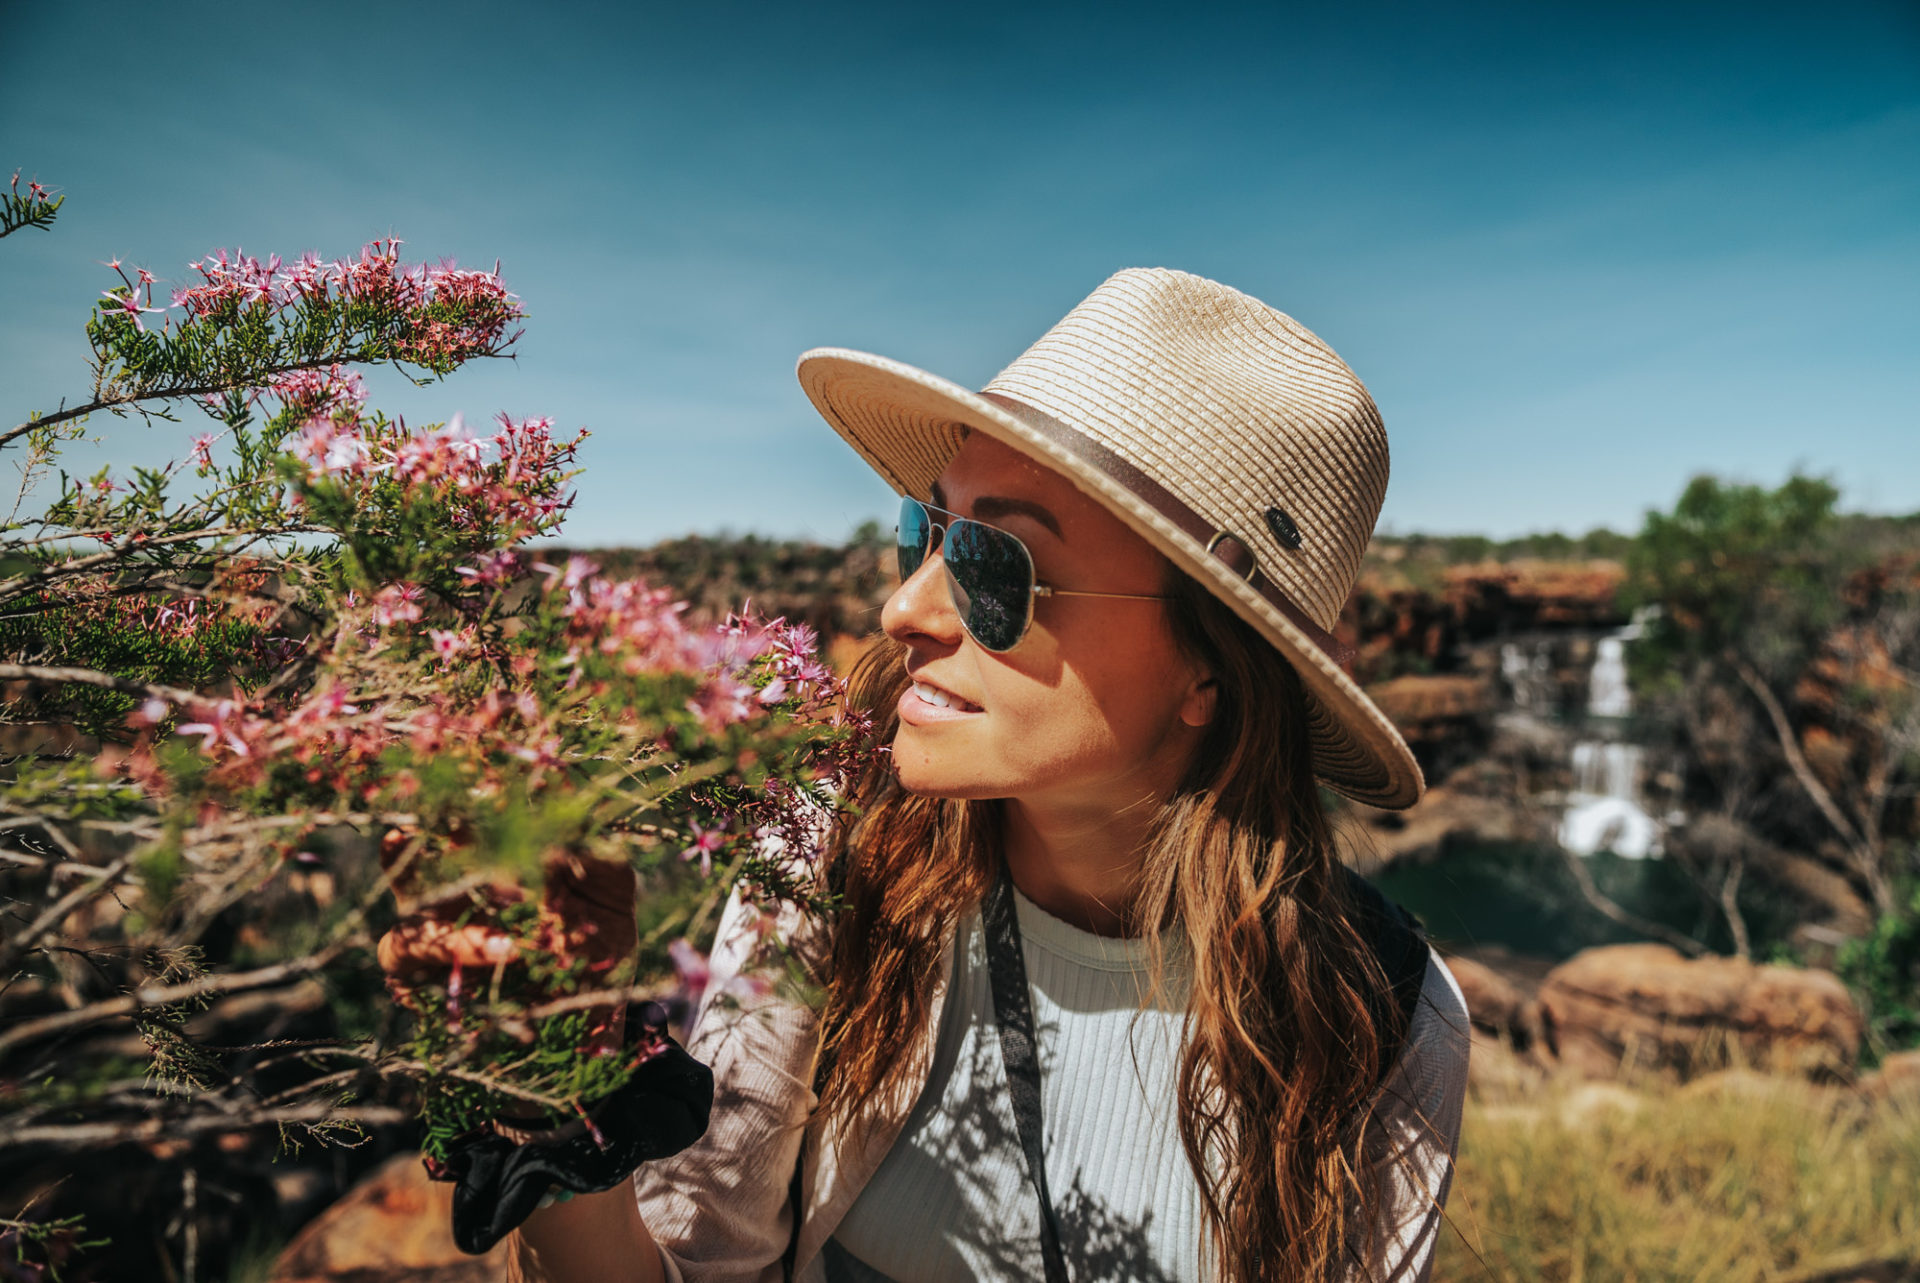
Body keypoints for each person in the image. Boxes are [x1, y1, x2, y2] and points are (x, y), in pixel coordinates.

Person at [387, 268, 1470, 1283]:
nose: (906, 608)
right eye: (928, 530)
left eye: (996, 565)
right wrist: (546, 1063)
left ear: (1211, 668)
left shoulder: (1382, 1015)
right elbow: (699, 1256)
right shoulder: (834, 858)